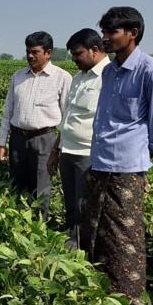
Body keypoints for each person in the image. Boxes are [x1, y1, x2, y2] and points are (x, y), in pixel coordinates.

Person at [81, 7, 153, 305]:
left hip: (126, 167)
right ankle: (99, 293)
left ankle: (129, 302)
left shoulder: (151, 71)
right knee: (95, 229)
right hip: (100, 162)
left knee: (124, 237)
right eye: (104, 32)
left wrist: (143, 153)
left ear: (132, 34)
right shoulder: (109, 71)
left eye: (112, 32)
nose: (105, 38)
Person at [46, 29, 109, 248]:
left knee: (85, 205)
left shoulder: (108, 77)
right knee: (71, 203)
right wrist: (56, 150)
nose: (73, 58)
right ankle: (72, 241)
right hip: (68, 150)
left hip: (88, 153)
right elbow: (67, 117)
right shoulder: (78, 77)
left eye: (78, 53)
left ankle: (84, 249)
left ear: (94, 50)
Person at [0, 31, 72, 215]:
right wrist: (2, 143)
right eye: (28, 51)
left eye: (35, 52)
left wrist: (59, 149)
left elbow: (67, 116)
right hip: (17, 139)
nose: (30, 56)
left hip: (44, 139)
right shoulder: (18, 76)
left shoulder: (62, 78)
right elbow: (7, 112)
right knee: (16, 184)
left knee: (40, 187)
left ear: (48, 53)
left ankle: (38, 224)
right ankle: (15, 222)